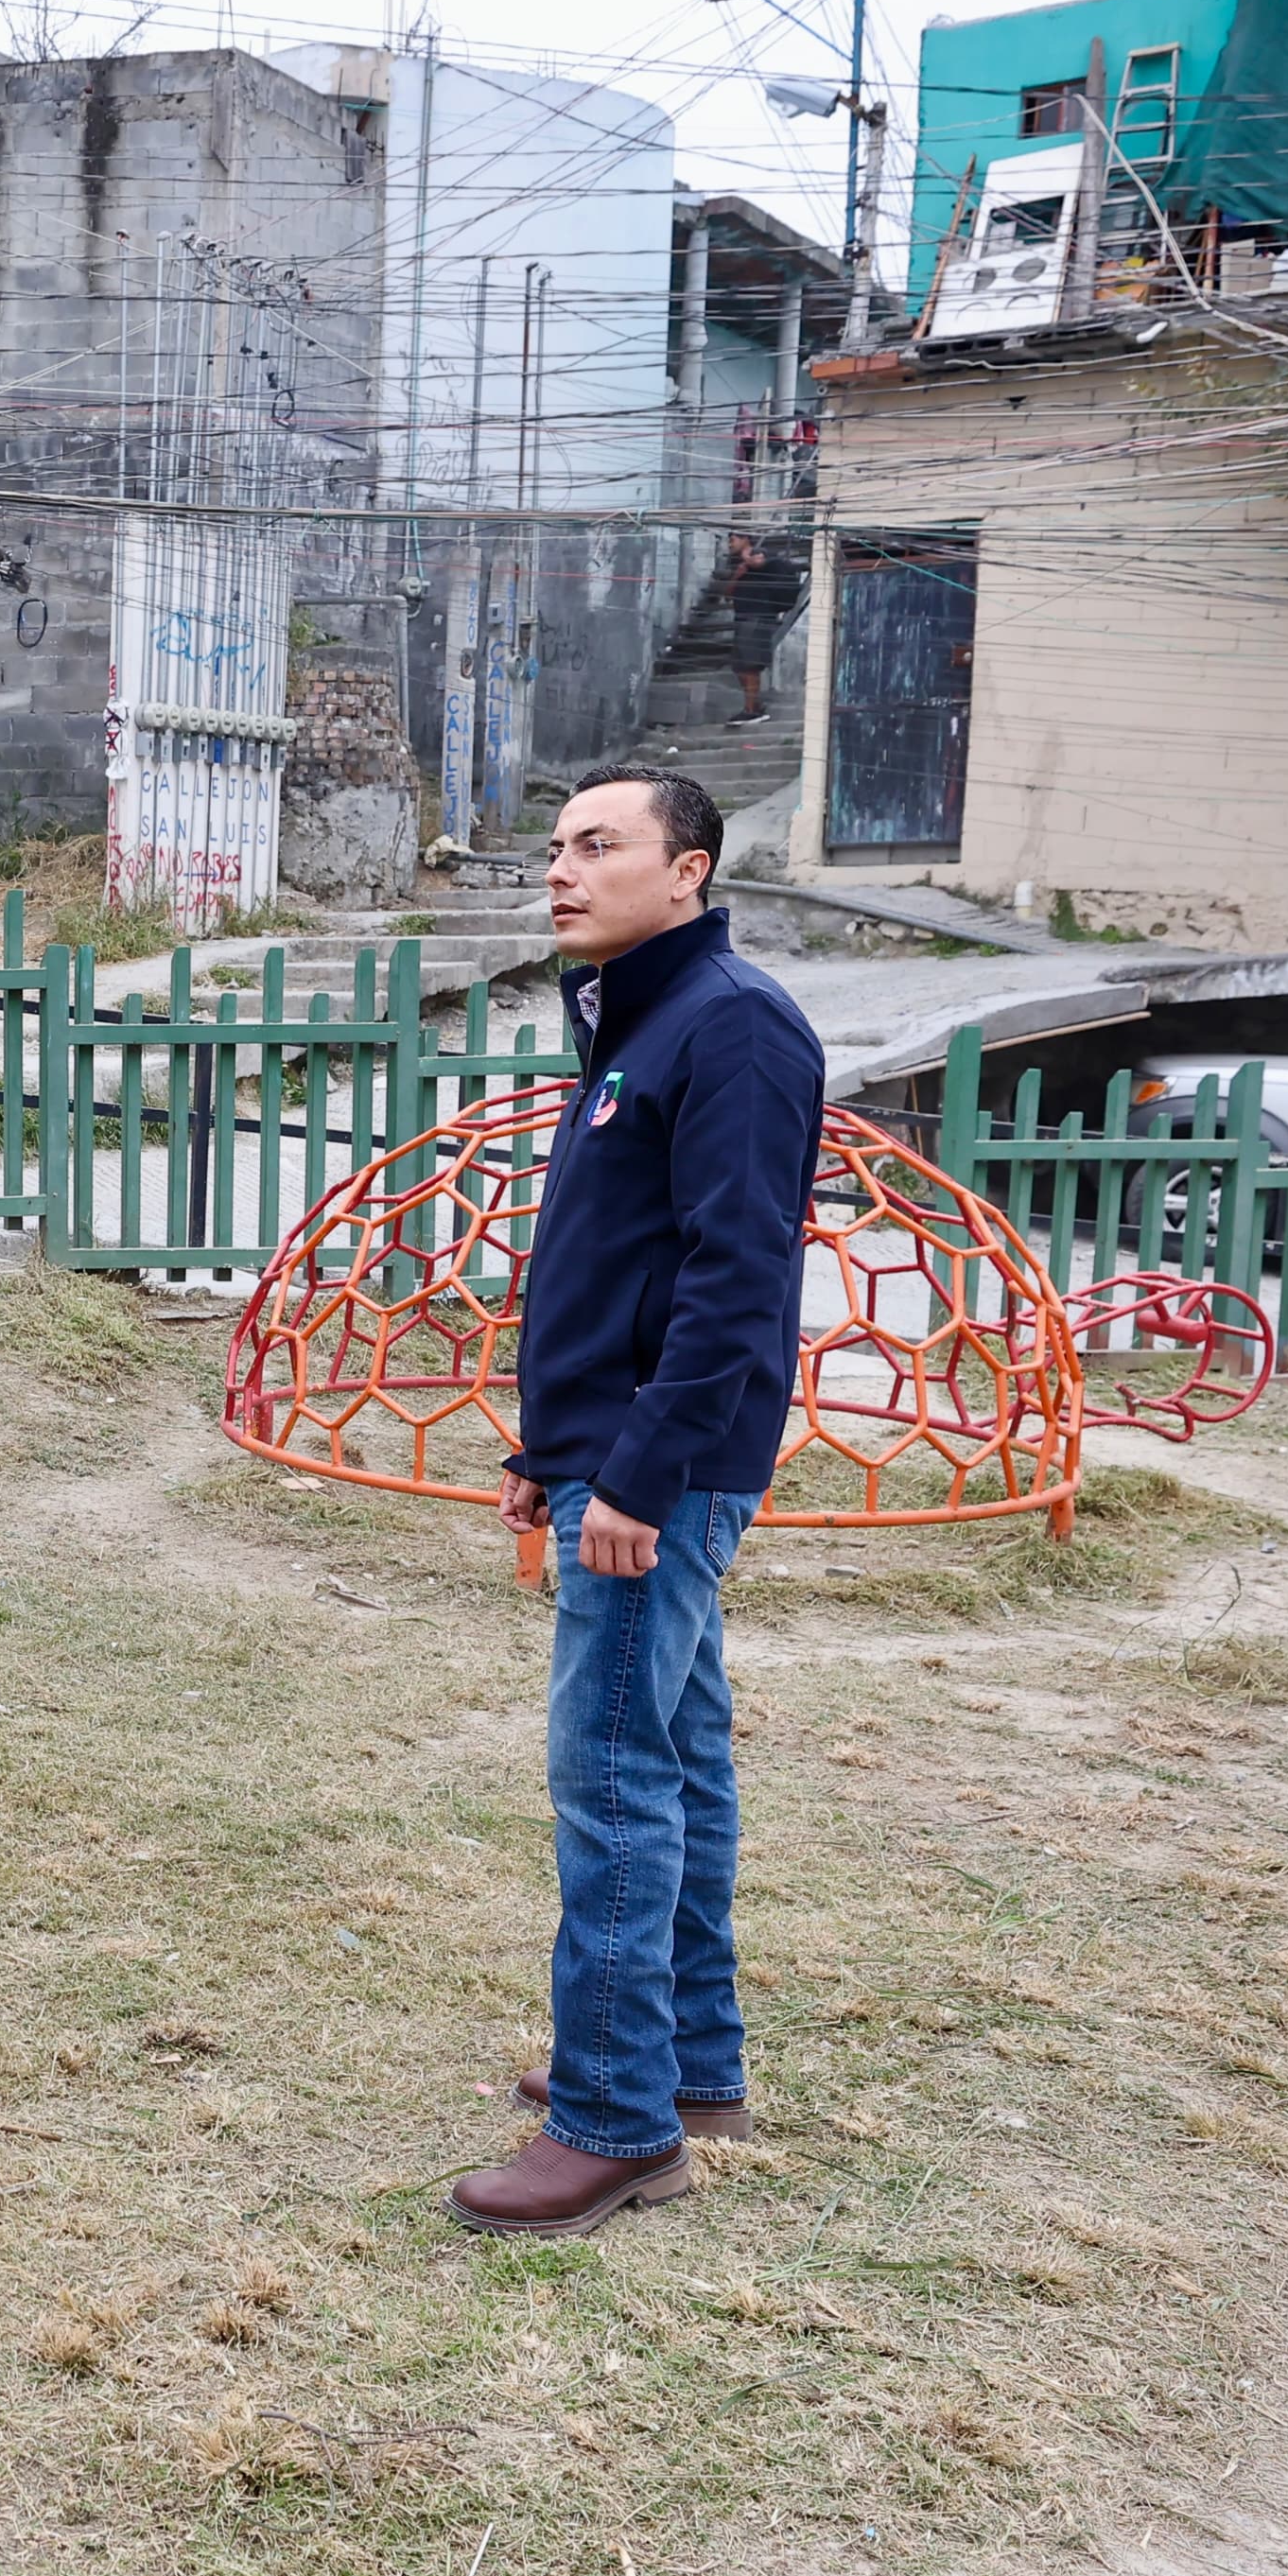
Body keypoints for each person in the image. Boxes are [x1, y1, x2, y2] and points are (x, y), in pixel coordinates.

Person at [448, 768, 825, 2241]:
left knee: (611, 1777)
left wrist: (635, 1476)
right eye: (555, 847)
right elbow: (613, 1271)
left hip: (656, 1477)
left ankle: (618, 2120)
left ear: (690, 870)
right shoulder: (638, 1017)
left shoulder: (729, 1022)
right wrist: (546, 1449)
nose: (562, 869)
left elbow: (739, 1284)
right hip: (610, 1461)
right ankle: (691, 2066)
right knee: (672, 1750)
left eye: (599, 845)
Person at [722, 531, 806, 728]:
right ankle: (754, 706)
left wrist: (752, 560)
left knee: (750, 665)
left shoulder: (765, 555)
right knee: (739, 666)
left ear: (745, 540)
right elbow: (727, 593)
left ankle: (751, 711)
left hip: (758, 616)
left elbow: (762, 562)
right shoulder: (736, 564)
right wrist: (739, 572)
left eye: (733, 540)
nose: (729, 544)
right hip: (742, 617)